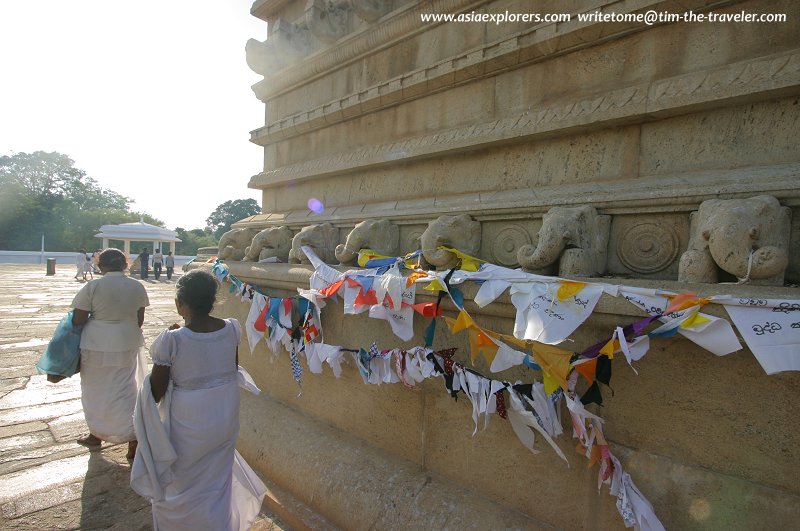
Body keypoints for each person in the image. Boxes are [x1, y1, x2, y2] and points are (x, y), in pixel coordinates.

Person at [142, 270, 265, 529]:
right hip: (223, 413)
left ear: (180, 304)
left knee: (182, 481)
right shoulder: (231, 328)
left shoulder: (171, 341)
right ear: (213, 301)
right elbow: (230, 370)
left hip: (190, 421)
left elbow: (156, 391)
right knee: (217, 480)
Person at [71, 248, 149, 460]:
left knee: (95, 389)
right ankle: (133, 438)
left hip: (96, 342)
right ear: (125, 264)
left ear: (100, 265)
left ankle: (97, 433)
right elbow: (139, 319)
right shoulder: (136, 286)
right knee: (125, 388)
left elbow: (78, 319)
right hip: (127, 340)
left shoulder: (93, 286)